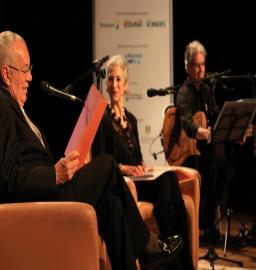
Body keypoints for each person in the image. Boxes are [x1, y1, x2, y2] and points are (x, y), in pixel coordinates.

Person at [0, 30, 183, 270]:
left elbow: (24, 163)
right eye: (25, 70)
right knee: (106, 164)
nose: (31, 77)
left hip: (43, 196)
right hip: (33, 207)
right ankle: (146, 244)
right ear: (6, 73)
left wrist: (63, 168)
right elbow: (6, 179)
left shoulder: (8, 106)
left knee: (112, 204)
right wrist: (53, 174)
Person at [92, 54, 195, 270]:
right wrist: (125, 168)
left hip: (138, 177)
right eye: (111, 79)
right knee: (166, 185)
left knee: (168, 179)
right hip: (122, 181)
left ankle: (181, 256)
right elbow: (101, 160)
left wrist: (143, 167)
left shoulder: (130, 118)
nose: (114, 84)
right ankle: (172, 261)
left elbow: (137, 156)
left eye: (119, 79)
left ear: (126, 85)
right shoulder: (102, 117)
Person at [175, 40, 235, 244]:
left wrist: (232, 129)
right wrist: (197, 130)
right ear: (187, 66)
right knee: (210, 169)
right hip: (189, 154)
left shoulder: (208, 91)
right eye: (196, 65)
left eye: (202, 65)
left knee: (226, 170)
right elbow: (184, 121)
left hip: (207, 151)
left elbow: (217, 116)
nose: (200, 69)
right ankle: (207, 224)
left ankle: (208, 219)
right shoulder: (183, 92)